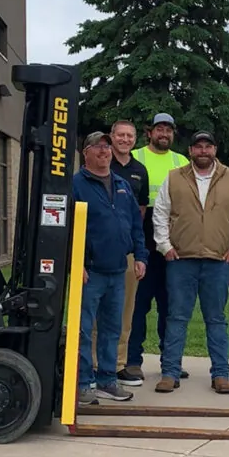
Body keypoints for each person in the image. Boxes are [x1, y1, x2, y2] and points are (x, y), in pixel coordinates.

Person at [152, 131, 229, 395]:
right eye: (198, 147)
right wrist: (165, 246)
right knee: (176, 317)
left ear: (215, 149)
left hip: (218, 261)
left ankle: (220, 375)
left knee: (216, 319)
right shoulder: (174, 177)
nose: (203, 151)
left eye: (208, 146)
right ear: (191, 151)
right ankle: (170, 373)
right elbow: (160, 212)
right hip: (181, 260)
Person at [72, 132, 148, 405]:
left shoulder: (121, 184)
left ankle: (107, 380)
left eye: (106, 146)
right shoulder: (76, 185)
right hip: (90, 272)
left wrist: (140, 256)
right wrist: (76, 263)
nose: (104, 151)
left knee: (112, 329)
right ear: (86, 153)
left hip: (118, 269)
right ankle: (83, 383)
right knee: (83, 330)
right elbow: (67, 228)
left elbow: (135, 224)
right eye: (98, 146)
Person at [126, 113, 190, 383]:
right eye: (159, 129)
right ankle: (132, 361)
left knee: (170, 306)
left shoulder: (182, 161)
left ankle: (170, 361)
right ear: (149, 132)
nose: (164, 134)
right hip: (142, 236)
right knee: (138, 305)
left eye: (169, 130)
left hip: (172, 241)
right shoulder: (135, 157)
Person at [89, 119, 150, 386]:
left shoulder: (137, 172)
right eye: (120, 135)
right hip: (95, 257)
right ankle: (92, 365)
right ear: (112, 137)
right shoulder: (97, 167)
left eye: (130, 136)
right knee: (94, 315)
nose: (125, 140)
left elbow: (139, 215)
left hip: (125, 255)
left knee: (124, 313)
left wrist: (138, 252)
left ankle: (117, 364)